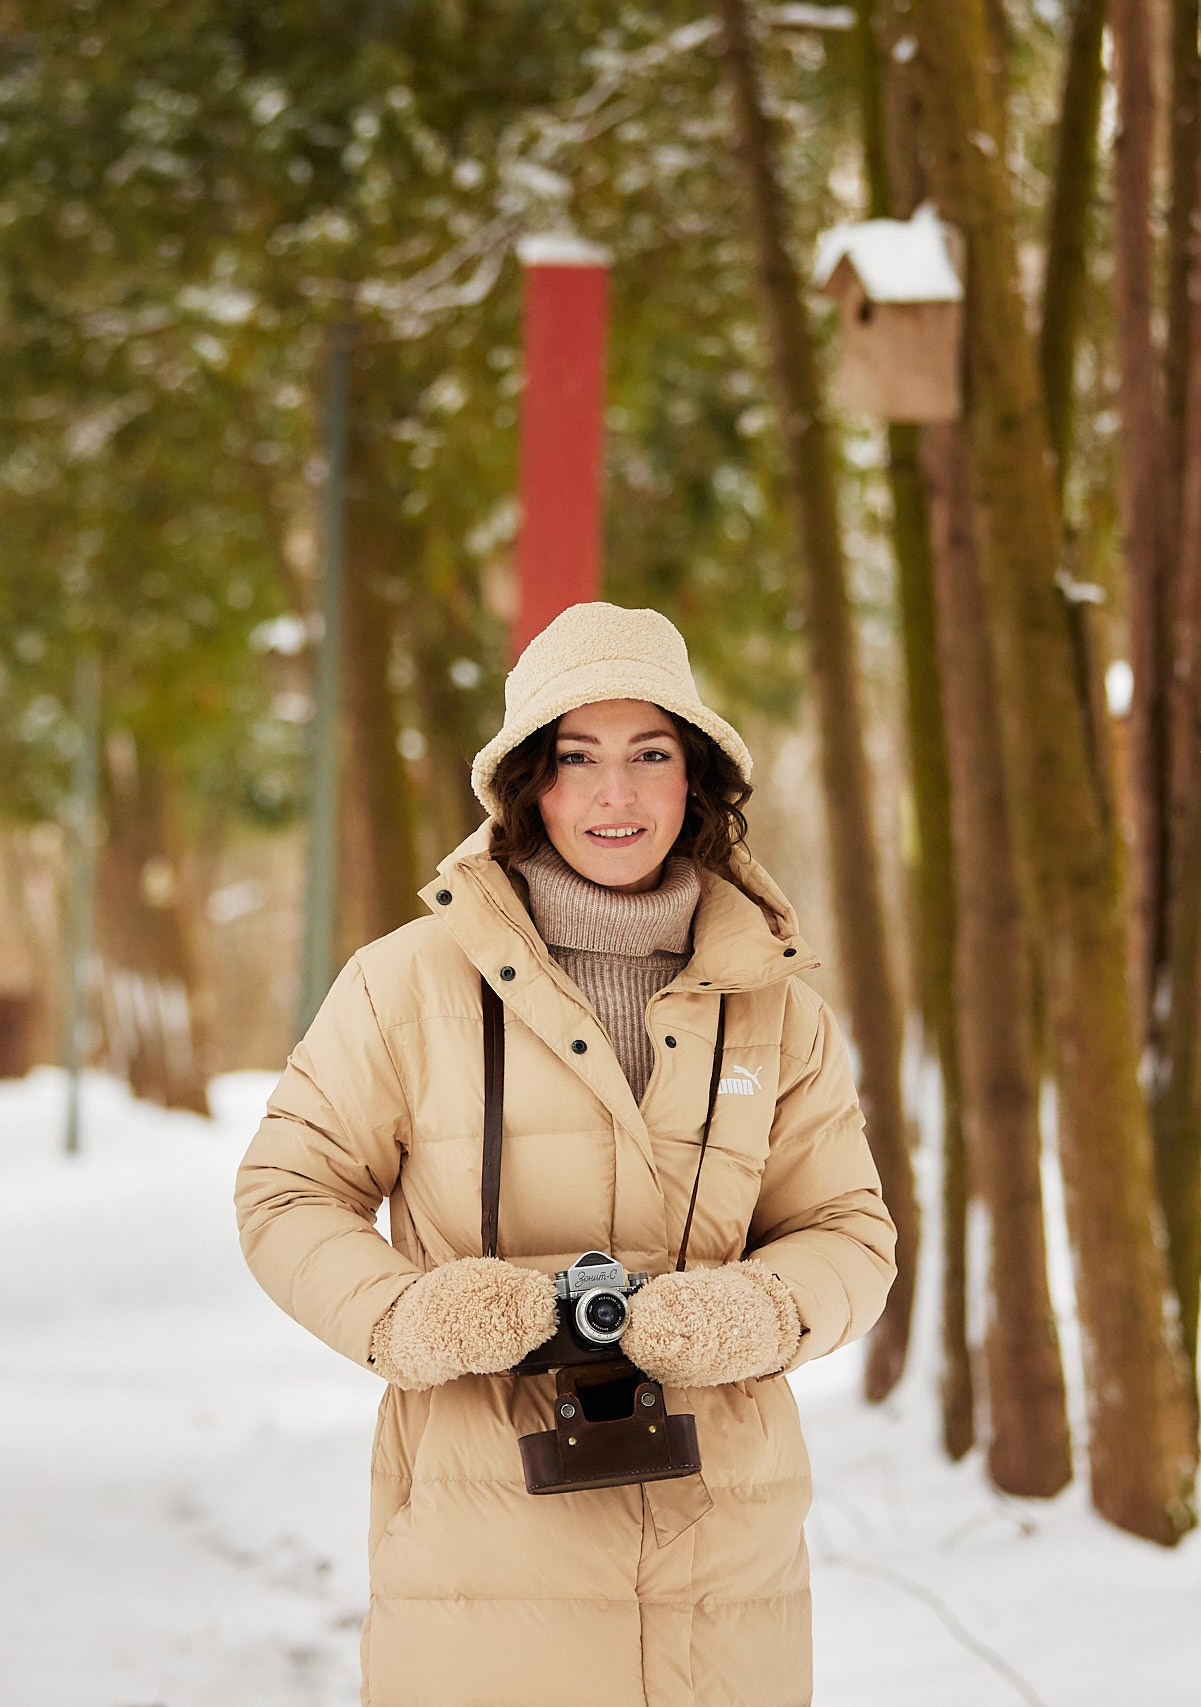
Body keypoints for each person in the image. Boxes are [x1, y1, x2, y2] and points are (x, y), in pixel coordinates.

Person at [236, 602, 896, 1707]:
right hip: (481, 1549)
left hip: (723, 1568)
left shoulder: (780, 1010)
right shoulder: (404, 984)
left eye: (652, 755)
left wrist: (755, 1313)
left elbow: (848, 1234)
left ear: (698, 782)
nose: (615, 795)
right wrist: (408, 1317)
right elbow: (287, 1192)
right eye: (577, 758)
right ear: (530, 784)